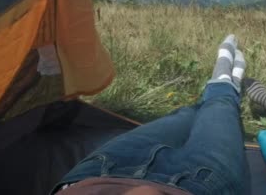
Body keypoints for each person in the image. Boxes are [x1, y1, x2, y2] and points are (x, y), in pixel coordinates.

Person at [52, 35, 247, 195]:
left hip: (97, 174)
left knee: (185, 114)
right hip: (198, 184)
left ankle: (224, 85)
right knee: (220, 108)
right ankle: (225, 84)